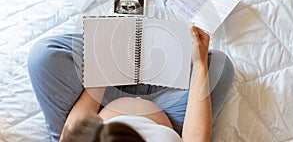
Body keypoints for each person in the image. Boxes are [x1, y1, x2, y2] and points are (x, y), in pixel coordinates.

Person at [28, 26, 234, 142]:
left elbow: (70, 135)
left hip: (98, 101)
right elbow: (196, 138)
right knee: (219, 66)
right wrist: (200, 66)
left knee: (44, 56)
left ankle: (110, 64)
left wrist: (102, 75)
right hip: (169, 113)